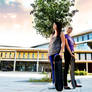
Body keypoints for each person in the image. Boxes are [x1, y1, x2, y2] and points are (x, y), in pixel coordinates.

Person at [48, 22, 65, 89]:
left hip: (56, 53)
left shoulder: (61, 33)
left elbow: (63, 43)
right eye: (53, 24)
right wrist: (48, 53)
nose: (53, 25)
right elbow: (50, 44)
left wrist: (61, 52)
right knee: (53, 69)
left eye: (54, 24)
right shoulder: (51, 35)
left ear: (57, 25)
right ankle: (53, 83)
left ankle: (58, 83)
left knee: (57, 69)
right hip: (51, 53)